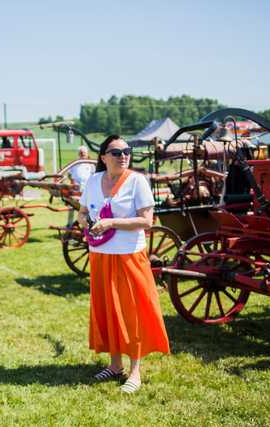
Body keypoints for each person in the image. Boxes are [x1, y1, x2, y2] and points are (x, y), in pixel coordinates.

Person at [77, 135, 170, 394]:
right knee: (108, 310)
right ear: (103, 156)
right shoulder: (94, 181)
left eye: (126, 151)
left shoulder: (137, 181)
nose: (123, 156)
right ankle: (115, 365)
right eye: (116, 152)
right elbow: (82, 211)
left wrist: (111, 223)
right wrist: (84, 221)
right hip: (100, 255)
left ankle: (135, 371)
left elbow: (147, 221)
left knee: (132, 313)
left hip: (129, 255)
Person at [67, 145, 94, 225]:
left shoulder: (91, 165)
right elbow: (69, 175)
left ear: (87, 153)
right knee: (71, 206)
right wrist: (73, 183)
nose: (82, 154)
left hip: (87, 191)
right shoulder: (75, 164)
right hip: (76, 191)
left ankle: (87, 224)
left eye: (84, 153)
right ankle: (70, 224)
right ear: (78, 154)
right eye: (81, 153)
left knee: (87, 208)